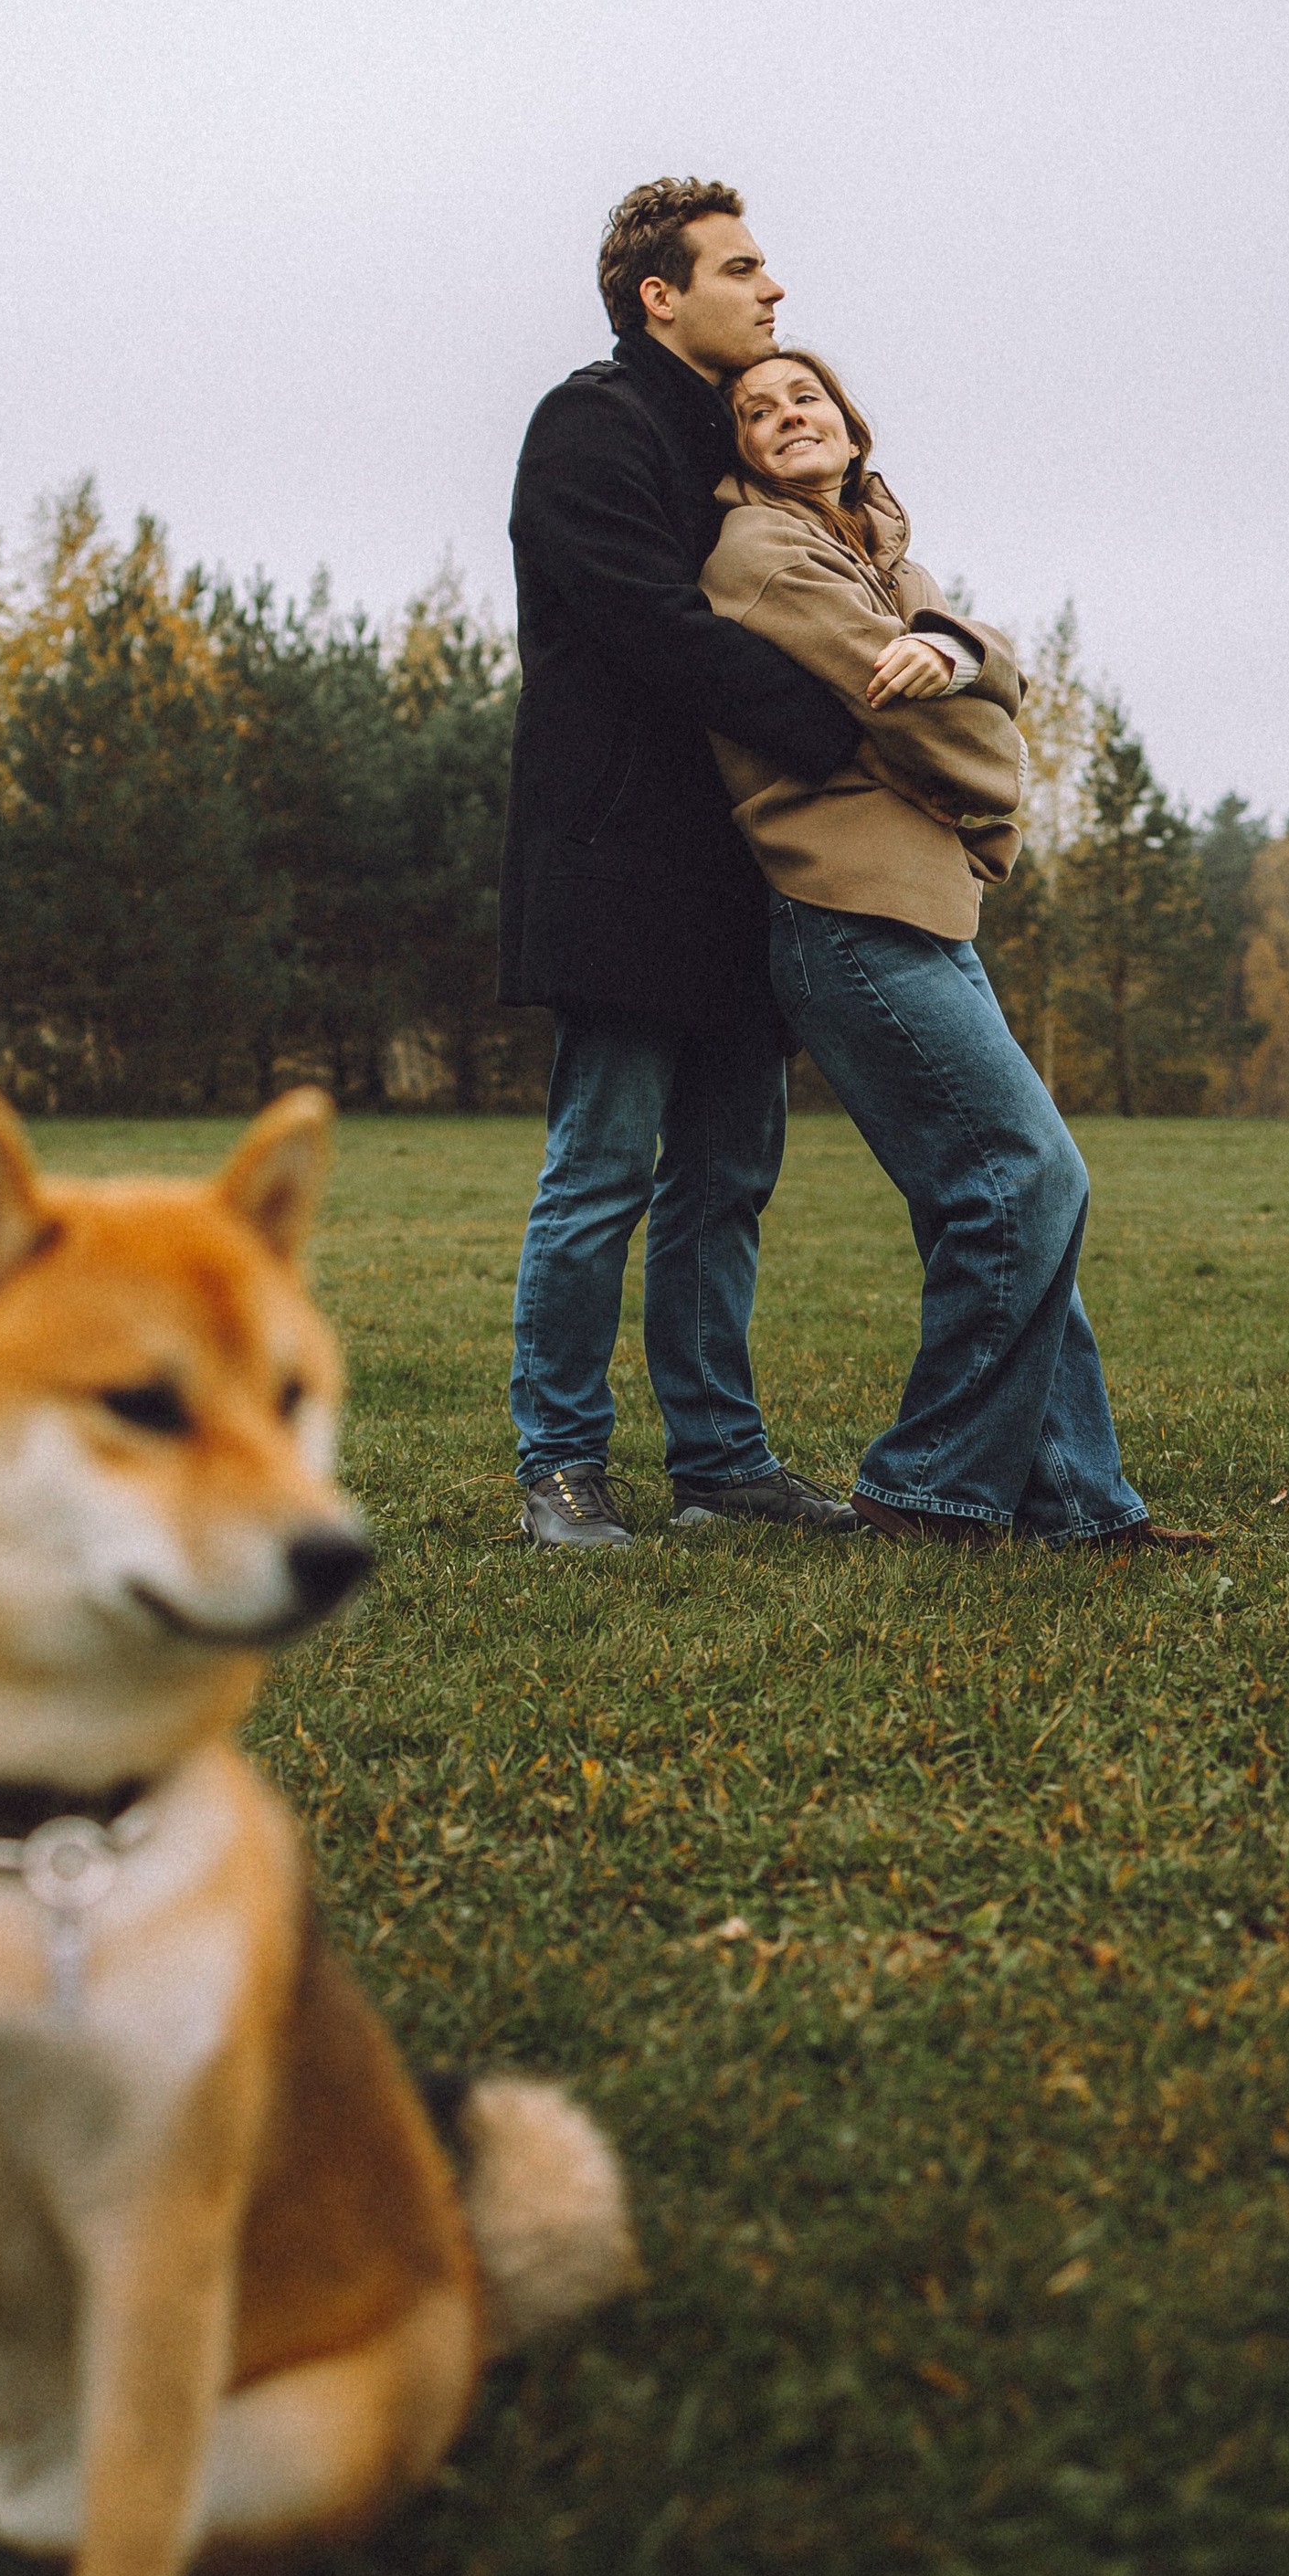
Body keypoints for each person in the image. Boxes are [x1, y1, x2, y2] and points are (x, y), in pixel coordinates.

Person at [699, 345, 1213, 1555]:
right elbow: (929, 727)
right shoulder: (763, 556)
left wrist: (972, 657)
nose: (786, 418)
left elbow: (993, 663)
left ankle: (1080, 1504)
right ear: (738, 451)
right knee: (1031, 1178)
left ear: (851, 420)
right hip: (848, 911)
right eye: (757, 413)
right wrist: (994, 774)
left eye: (804, 398)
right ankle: (923, 1488)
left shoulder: (886, 556)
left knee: (1003, 1205)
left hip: (924, 906)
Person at [499, 179, 870, 1553]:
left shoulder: (739, 437)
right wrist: (832, 719)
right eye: (744, 268)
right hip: (618, 858)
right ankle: (561, 1476)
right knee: (601, 1166)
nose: (774, 290)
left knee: (727, 1175)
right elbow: (649, 623)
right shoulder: (590, 424)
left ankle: (721, 1465)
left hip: (741, 863)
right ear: (661, 294)